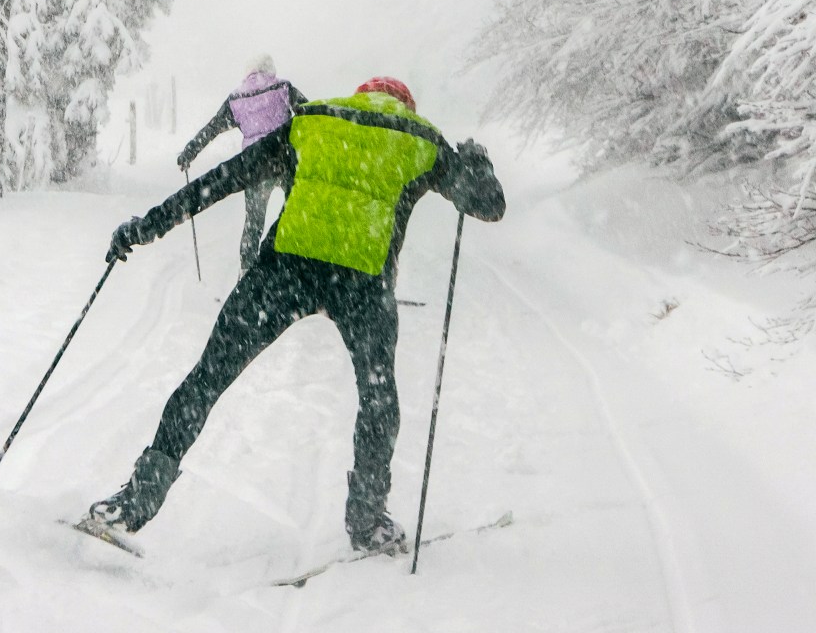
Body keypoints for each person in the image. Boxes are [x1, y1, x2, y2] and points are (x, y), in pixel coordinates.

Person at [87, 77, 505, 554]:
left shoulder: (312, 121)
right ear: (405, 104)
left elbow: (222, 180)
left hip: (283, 272)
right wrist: (477, 163)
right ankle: (367, 521)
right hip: (362, 285)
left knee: (208, 376)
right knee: (378, 397)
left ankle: (136, 501)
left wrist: (148, 226)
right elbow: (488, 205)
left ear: (359, 93)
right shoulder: (422, 140)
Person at [178, 55, 304, 268]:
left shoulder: (236, 99)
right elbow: (308, 112)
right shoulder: (283, 87)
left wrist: (190, 151)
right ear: (270, 69)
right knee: (296, 211)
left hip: (254, 165)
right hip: (284, 161)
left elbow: (212, 128)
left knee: (253, 225)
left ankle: (247, 270)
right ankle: (294, 265)